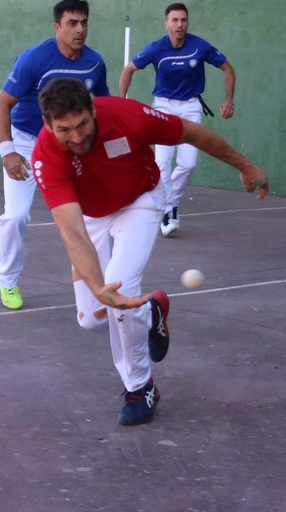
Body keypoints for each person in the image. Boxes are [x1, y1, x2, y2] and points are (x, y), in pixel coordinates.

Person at [32, 79, 269, 425]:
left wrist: (245, 166)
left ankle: (140, 386)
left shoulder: (129, 117)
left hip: (140, 198)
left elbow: (192, 133)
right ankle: (153, 313)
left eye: (82, 123)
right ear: (48, 125)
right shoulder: (46, 155)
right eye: (64, 129)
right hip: (92, 213)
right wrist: (96, 288)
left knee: (121, 289)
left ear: (93, 110)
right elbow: (72, 229)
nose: (77, 136)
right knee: (92, 319)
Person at [0, 0, 110, 310]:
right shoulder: (34, 58)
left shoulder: (95, 63)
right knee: (16, 216)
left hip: (74, 144)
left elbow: (105, 109)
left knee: (97, 214)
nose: (80, 29)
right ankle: (8, 281)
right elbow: (2, 104)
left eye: (84, 22)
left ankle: (101, 281)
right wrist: (9, 152)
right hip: (29, 144)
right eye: (72, 23)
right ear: (57, 26)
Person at [118, 3, 236, 237]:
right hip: (163, 107)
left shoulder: (199, 46)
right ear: (166, 24)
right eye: (175, 20)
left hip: (191, 107)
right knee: (162, 162)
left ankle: (168, 203)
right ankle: (169, 209)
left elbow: (227, 68)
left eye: (183, 20)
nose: (179, 24)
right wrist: (122, 102)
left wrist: (228, 98)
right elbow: (129, 69)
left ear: (187, 23)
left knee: (188, 163)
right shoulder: (155, 49)